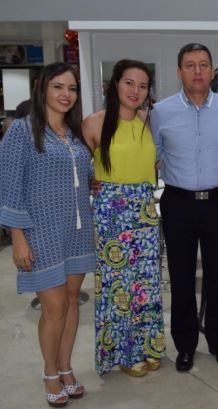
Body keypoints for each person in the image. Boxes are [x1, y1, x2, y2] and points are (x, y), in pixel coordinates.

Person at [0, 62, 95, 407]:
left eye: (71, 88)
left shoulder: (73, 134)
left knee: (71, 301)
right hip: (41, 231)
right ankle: (50, 372)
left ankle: (67, 368)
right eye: (58, 87)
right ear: (42, 89)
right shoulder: (22, 131)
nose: (66, 94)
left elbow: (81, 175)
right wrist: (18, 237)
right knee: (53, 308)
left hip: (77, 230)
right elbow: (9, 188)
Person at [150, 43, 218, 372]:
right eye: (190, 65)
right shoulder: (162, 112)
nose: (197, 71)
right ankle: (185, 346)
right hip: (178, 204)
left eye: (203, 64)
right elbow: (153, 156)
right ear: (179, 72)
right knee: (182, 279)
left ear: (212, 70)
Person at [82, 59, 165, 377]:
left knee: (146, 282)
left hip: (144, 209)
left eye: (142, 86)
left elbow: (155, 161)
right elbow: (78, 168)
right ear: (114, 84)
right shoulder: (94, 123)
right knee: (119, 285)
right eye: (129, 82)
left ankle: (148, 345)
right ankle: (124, 353)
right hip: (111, 214)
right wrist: (91, 180)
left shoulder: (148, 121)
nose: (135, 90)